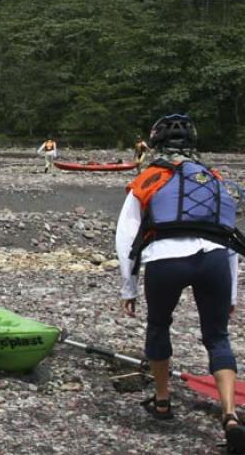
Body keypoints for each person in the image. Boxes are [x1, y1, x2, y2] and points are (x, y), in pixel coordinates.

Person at [116, 114, 245, 452]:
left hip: (165, 259)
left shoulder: (149, 178)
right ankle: (230, 415)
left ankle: (162, 402)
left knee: (159, 326)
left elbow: (126, 234)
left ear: (155, 143)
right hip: (215, 259)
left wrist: (128, 285)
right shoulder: (215, 180)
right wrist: (231, 292)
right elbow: (229, 238)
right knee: (217, 337)